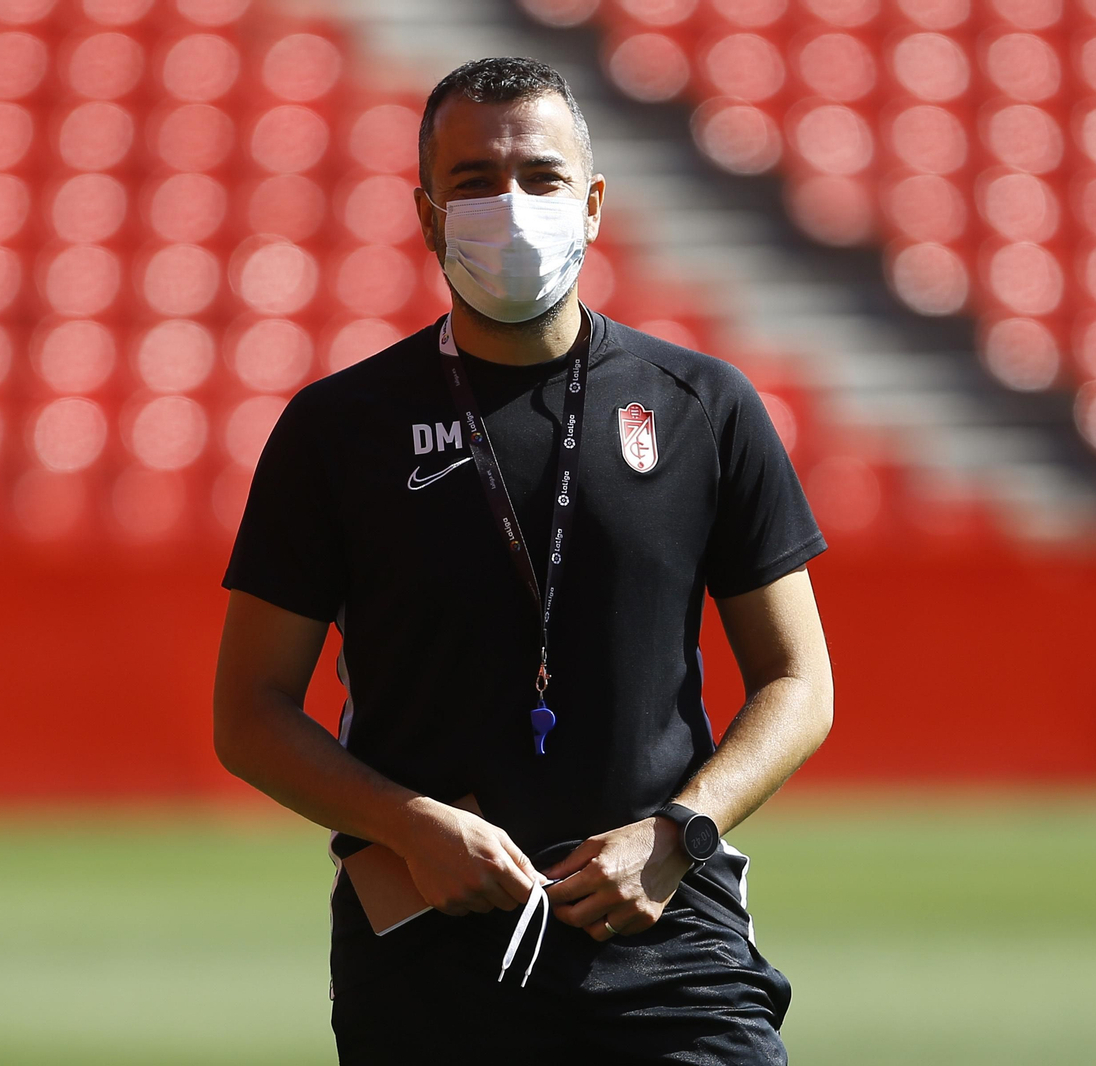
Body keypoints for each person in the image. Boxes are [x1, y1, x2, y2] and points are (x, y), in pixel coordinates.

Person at [213, 57, 834, 1065]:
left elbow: (799, 681)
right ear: (425, 215)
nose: (511, 204)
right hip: (428, 958)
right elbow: (247, 714)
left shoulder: (704, 407)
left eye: (541, 178)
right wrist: (410, 825)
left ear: (591, 204)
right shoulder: (337, 430)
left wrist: (679, 832)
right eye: (473, 181)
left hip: (670, 940)